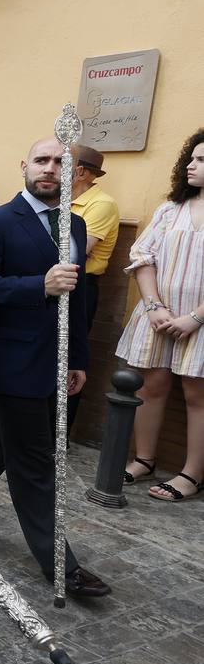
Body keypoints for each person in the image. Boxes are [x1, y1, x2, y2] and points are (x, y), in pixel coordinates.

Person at [0, 138, 110, 599]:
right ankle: (61, 566)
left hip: (51, 359)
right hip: (8, 361)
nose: (50, 169)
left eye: (60, 162)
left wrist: (78, 359)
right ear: (24, 167)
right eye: (42, 160)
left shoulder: (73, 222)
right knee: (34, 463)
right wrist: (40, 284)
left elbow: (78, 297)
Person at [116, 129, 204, 501]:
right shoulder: (171, 209)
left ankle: (192, 474)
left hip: (199, 321)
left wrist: (195, 318)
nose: (191, 165)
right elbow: (143, 256)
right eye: (192, 157)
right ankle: (145, 458)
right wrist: (154, 306)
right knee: (151, 386)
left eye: (202, 160)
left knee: (197, 395)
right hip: (159, 314)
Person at [66, 144, 120, 426]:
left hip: (81, 284)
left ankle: (57, 433)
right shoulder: (60, 199)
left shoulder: (101, 204)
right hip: (53, 279)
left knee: (70, 354)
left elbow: (77, 249)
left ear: (81, 172)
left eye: (61, 162)